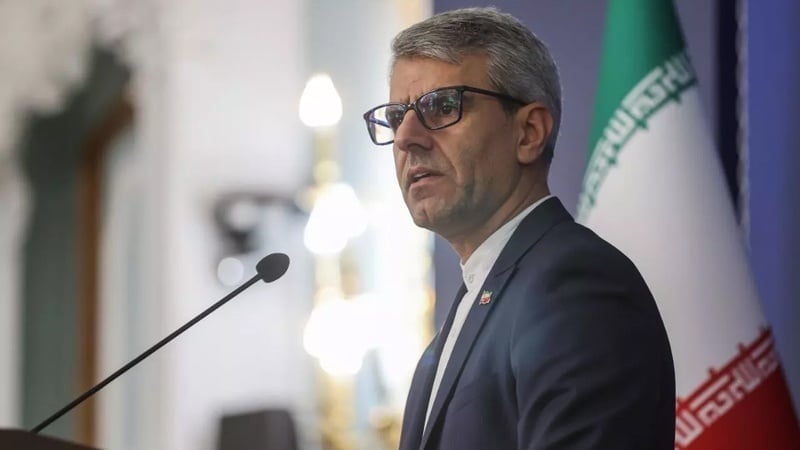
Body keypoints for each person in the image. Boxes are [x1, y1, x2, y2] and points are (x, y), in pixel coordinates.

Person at [362, 7, 675, 450]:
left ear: (529, 132)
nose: (405, 137)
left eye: (442, 106)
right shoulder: (480, 297)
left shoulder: (574, 285)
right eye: (397, 117)